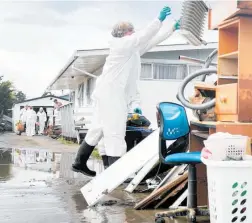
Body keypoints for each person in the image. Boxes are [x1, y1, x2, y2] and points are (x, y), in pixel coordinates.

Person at [71, 6, 180, 176]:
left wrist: (171, 29)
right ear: (124, 33)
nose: (134, 33)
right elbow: (143, 36)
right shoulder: (121, 45)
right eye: (131, 31)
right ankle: (116, 174)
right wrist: (158, 20)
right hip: (111, 94)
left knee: (98, 129)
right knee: (115, 131)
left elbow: (151, 41)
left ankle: (80, 162)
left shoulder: (131, 50)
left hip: (107, 93)